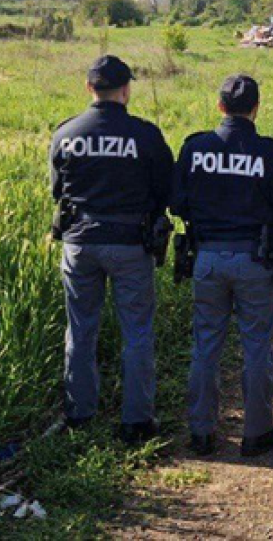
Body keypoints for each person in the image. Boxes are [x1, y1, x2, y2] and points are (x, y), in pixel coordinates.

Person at [171, 74, 273, 457]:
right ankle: (256, 433)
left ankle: (201, 433)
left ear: (220, 107)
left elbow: (176, 203)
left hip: (207, 259)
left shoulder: (196, 148)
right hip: (256, 261)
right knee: (257, 346)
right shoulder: (272, 154)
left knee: (205, 346)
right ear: (257, 109)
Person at [50, 55, 174, 444]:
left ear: (89, 89)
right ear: (126, 90)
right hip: (130, 245)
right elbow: (166, 192)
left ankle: (79, 414)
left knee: (80, 329)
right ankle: (136, 422)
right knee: (136, 331)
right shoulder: (145, 135)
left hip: (79, 244)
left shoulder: (65, 133)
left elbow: (58, 189)